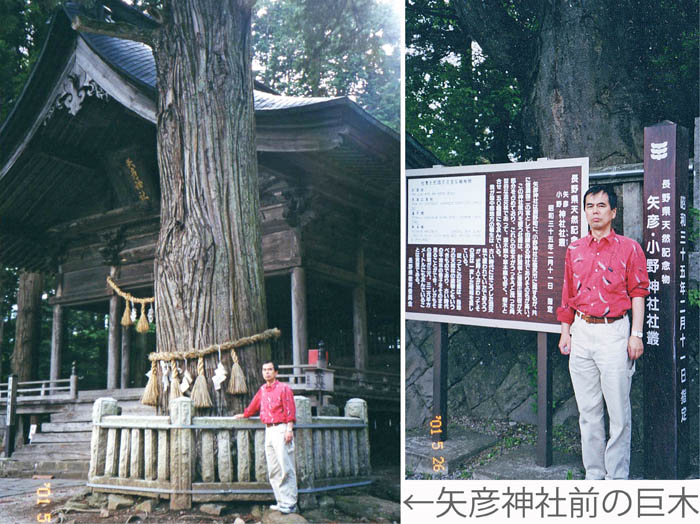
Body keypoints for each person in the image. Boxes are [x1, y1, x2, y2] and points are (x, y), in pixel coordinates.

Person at [557, 185, 649, 480]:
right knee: (588, 412)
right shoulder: (574, 249)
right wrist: (565, 331)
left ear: (613, 212)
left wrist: (637, 333)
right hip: (581, 331)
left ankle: (616, 478)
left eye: (600, 205)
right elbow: (567, 294)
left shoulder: (630, 248)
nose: (594, 211)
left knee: (619, 413)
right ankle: (594, 475)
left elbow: (638, 293)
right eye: (589, 206)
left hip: (614, 333)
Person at [234, 360, 298, 513]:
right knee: (273, 468)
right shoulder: (262, 390)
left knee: (286, 466)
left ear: (276, 372)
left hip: (281, 428)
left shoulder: (284, 389)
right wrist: (244, 414)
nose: (267, 372)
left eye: (270, 369)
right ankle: (280, 500)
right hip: (268, 430)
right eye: (264, 370)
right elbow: (254, 406)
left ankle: (290, 503)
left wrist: (289, 429)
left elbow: (290, 410)